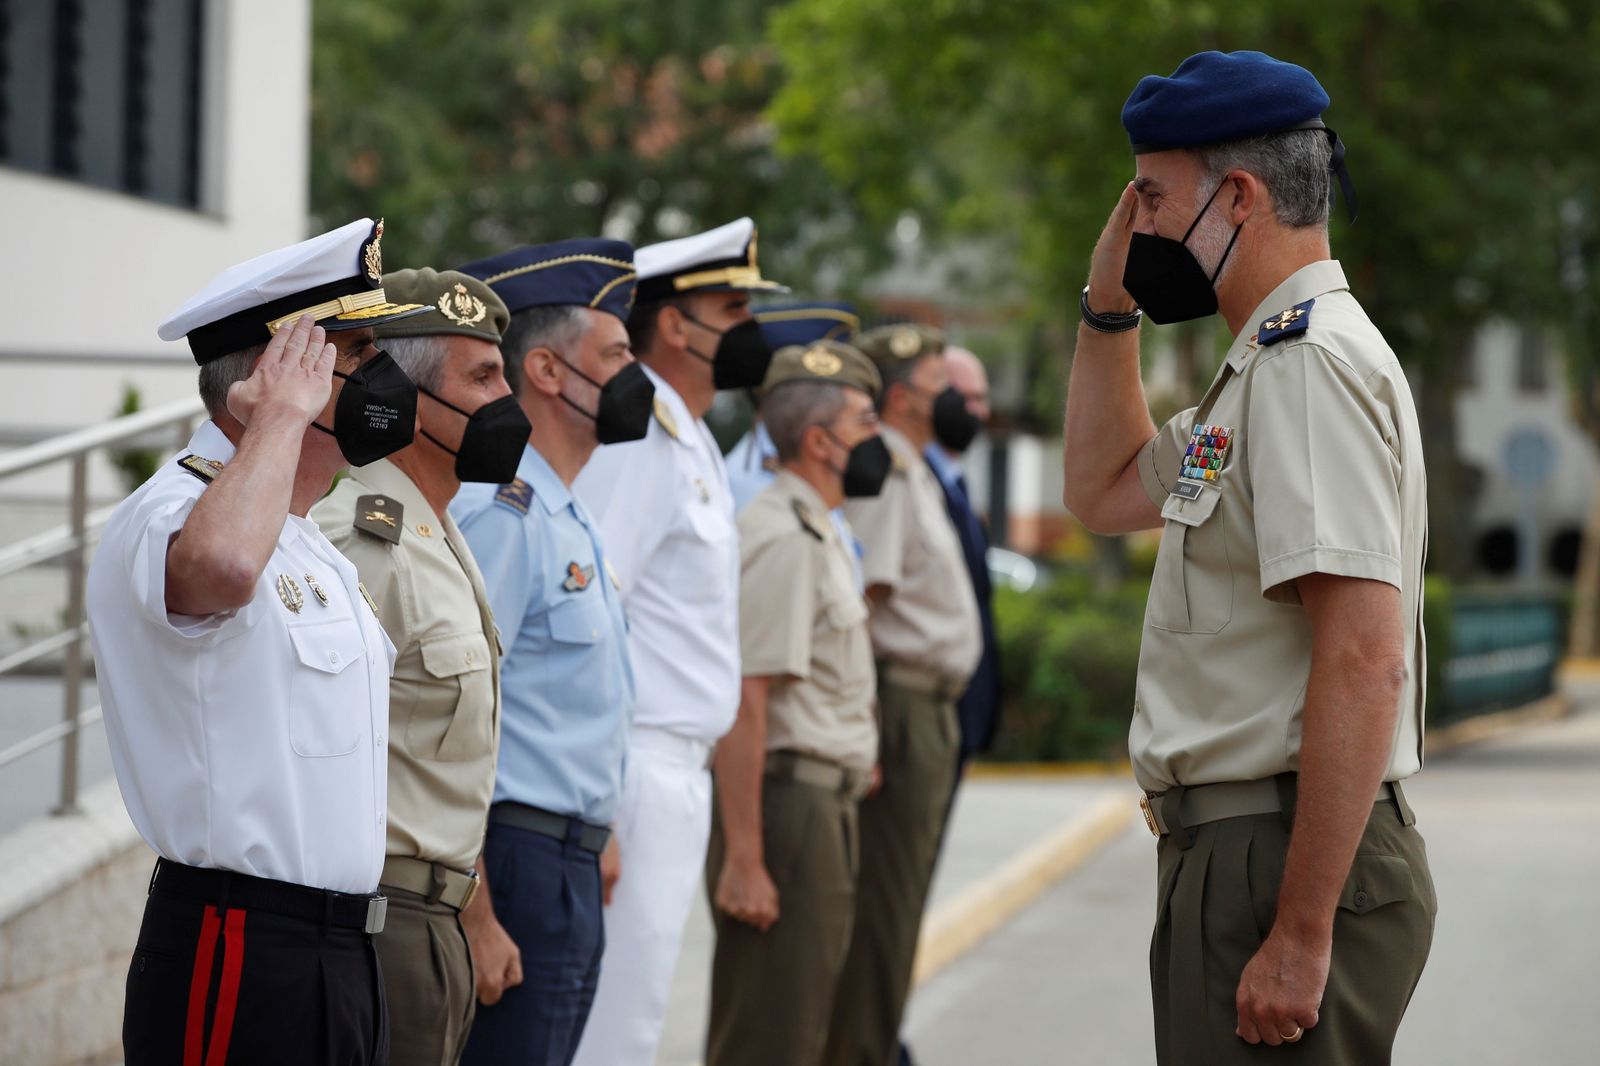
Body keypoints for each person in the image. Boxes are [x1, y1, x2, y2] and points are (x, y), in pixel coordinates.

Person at [1061, 50, 1434, 1064]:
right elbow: (1100, 489)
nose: (1134, 222)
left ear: (1237, 196)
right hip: (1244, 848)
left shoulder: (1306, 367)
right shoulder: (1262, 372)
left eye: (1148, 196)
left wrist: (1303, 930)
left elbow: (1364, 652)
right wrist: (1108, 304)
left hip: (1275, 853)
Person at [88, 218, 430, 1065]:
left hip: (342, 951)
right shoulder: (172, 513)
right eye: (351, 355)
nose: (379, 378)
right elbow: (223, 567)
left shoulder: (310, 540)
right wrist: (278, 422)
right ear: (276, 373)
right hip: (238, 946)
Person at [568, 218, 786, 1066]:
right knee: (609, 1032)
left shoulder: (690, 435)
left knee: (638, 1017)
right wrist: (596, 807)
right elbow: (590, 613)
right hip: (634, 767)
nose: (749, 331)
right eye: (732, 307)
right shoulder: (641, 437)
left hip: (674, 768)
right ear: (672, 325)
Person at [312, 268, 527, 1066]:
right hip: (381, 921)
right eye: (482, 377)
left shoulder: (438, 531)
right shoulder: (358, 533)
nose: (508, 399)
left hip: (436, 917)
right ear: (406, 397)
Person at [449, 239, 650, 1066]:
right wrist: (476, 910)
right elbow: (454, 714)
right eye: (617, 356)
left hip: (567, 857)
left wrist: (598, 834)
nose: (638, 377)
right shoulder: (505, 512)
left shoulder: (567, 510)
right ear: (548, 372)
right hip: (514, 862)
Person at [705, 339, 887, 1066]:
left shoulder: (820, 527)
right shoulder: (781, 534)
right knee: (770, 1033)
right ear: (820, 442)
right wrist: (745, 856)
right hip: (788, 807)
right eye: (867, 422)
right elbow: (746, 700)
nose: (882, 441)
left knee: (802, 1021)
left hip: (821, 801)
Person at [825, 323, 981, 1066]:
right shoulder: (885, 466)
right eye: (935, 385)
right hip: (900, 705)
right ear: (900, 399)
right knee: (883, 906)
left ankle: (872, 1043)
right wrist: (866, 729)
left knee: (899, 900)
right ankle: (862, 1050)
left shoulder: (911, 465)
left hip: (926, 704)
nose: (950, 398)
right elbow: (866, 600)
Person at [924, 344, 1002, 770]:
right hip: (929, 707)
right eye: (965, 397)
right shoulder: (907, 478)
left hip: (963, 711)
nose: (978, 412)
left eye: (982, 398)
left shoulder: (956, 481)